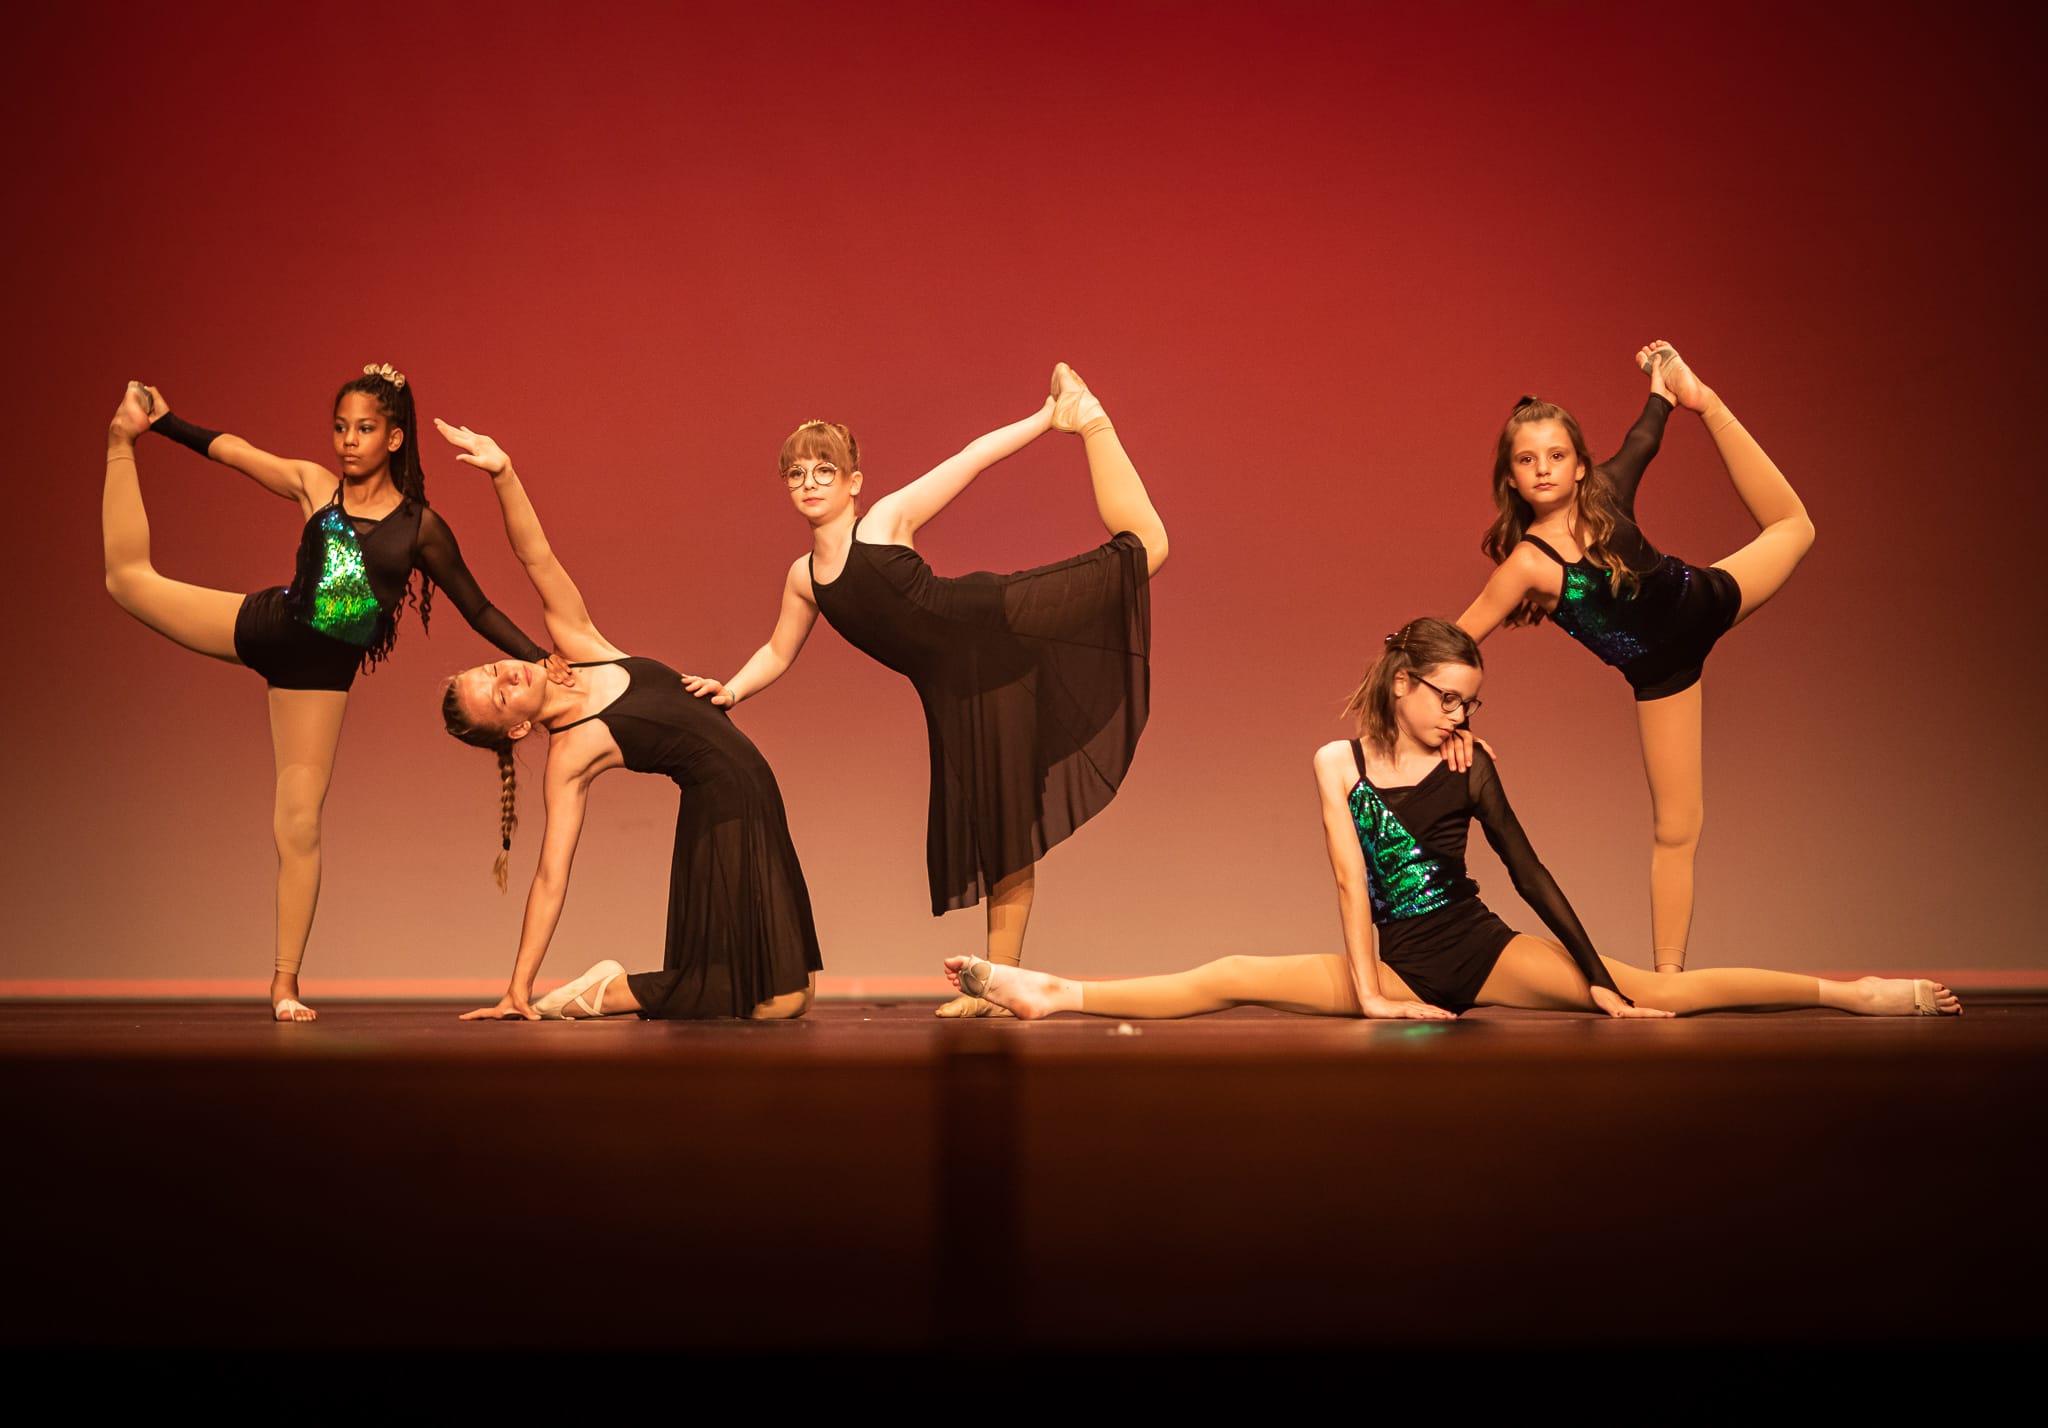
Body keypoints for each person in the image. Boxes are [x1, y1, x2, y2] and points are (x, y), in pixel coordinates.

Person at [944, 618, 1957, 1021]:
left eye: (1470, 703)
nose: (1459, 717)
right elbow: (1350, 881)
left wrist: (1597, 981)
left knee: (1655, 993)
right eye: (1447, 699)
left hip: (1474, 949)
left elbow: (1528, 872)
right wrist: (1371, 994)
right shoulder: (1335, 761)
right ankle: (1051, 993)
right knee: (1229, 974)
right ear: (1403, 684)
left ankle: (1852, 994)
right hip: (1390, 960)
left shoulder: (1472, 766)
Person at [691, 364, 1166, 1017]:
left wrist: (1045, 419)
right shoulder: (805, 578)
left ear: (854, 482)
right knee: (1001, 835)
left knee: (1147, 548)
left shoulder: (884, 521)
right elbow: (777, 651)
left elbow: (969, 459)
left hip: (994, 623)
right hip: (959, 695)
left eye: (825, 470)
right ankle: (999, 986)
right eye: (796, 474)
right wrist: (733, 689)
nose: (810, 483)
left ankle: (1089, 419)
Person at [102, 369, 556, 1021]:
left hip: (317, 678)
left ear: (394, 438)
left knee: (299, 823)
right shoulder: (318, 487)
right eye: (341, 427)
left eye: (364, 429)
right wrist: (163, 424)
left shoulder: (420, 528)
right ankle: (120, 440)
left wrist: (541, 657)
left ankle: (284, 985)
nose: (348, 440)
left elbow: (478, 607)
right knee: (126, 582)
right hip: (267, 627)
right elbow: (237, 453)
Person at [436, 421, 821, 1022]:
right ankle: (607, 993)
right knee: (777, 1001)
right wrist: (517, 988)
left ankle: (609, 989)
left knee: (792, 995)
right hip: (721, 810)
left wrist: (504, 474)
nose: (508, 675)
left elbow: (535, 555)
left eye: (493, 669)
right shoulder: (569, 756)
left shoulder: (579, 644)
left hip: (757, 790)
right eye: (501, 696)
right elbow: (550, 877)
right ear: (516, 730)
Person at [1456, 342, 1815, 973]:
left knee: (1795, 526)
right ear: (1510, 479)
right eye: (1527, 460)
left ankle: (1714, 403)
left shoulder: (1607, 491)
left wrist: (1672, 392)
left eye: (1557, 456)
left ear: (1579, 466)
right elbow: (1457, 640)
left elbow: (1644, 436)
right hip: (1663, 676)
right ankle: (1669, 976)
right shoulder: (1527, 566)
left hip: (1707, 600)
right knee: (1677, 828)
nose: (1544, 469)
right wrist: (1451, 718)